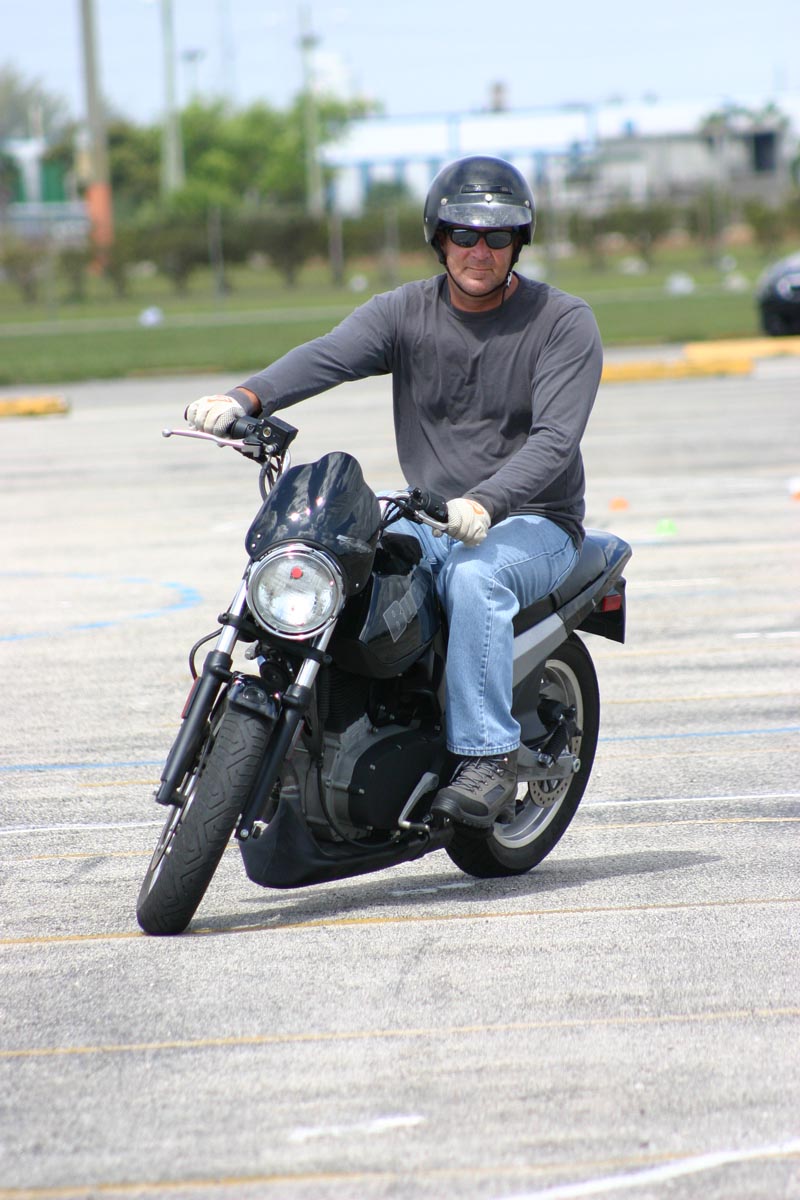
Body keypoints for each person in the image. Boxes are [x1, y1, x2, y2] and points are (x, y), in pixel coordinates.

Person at [186, 155, 603, 830]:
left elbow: (555, 441)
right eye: (464, 234)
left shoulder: (562, 321)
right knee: (331, 551)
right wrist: (245, 397)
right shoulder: (405, 311)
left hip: (533, 521)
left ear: (519, 243)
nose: (479, 250)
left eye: (497, 237)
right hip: (431, 513)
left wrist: (486, 503)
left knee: (474, 578)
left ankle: (489, 756)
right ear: (438, 237)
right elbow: (328, 354)